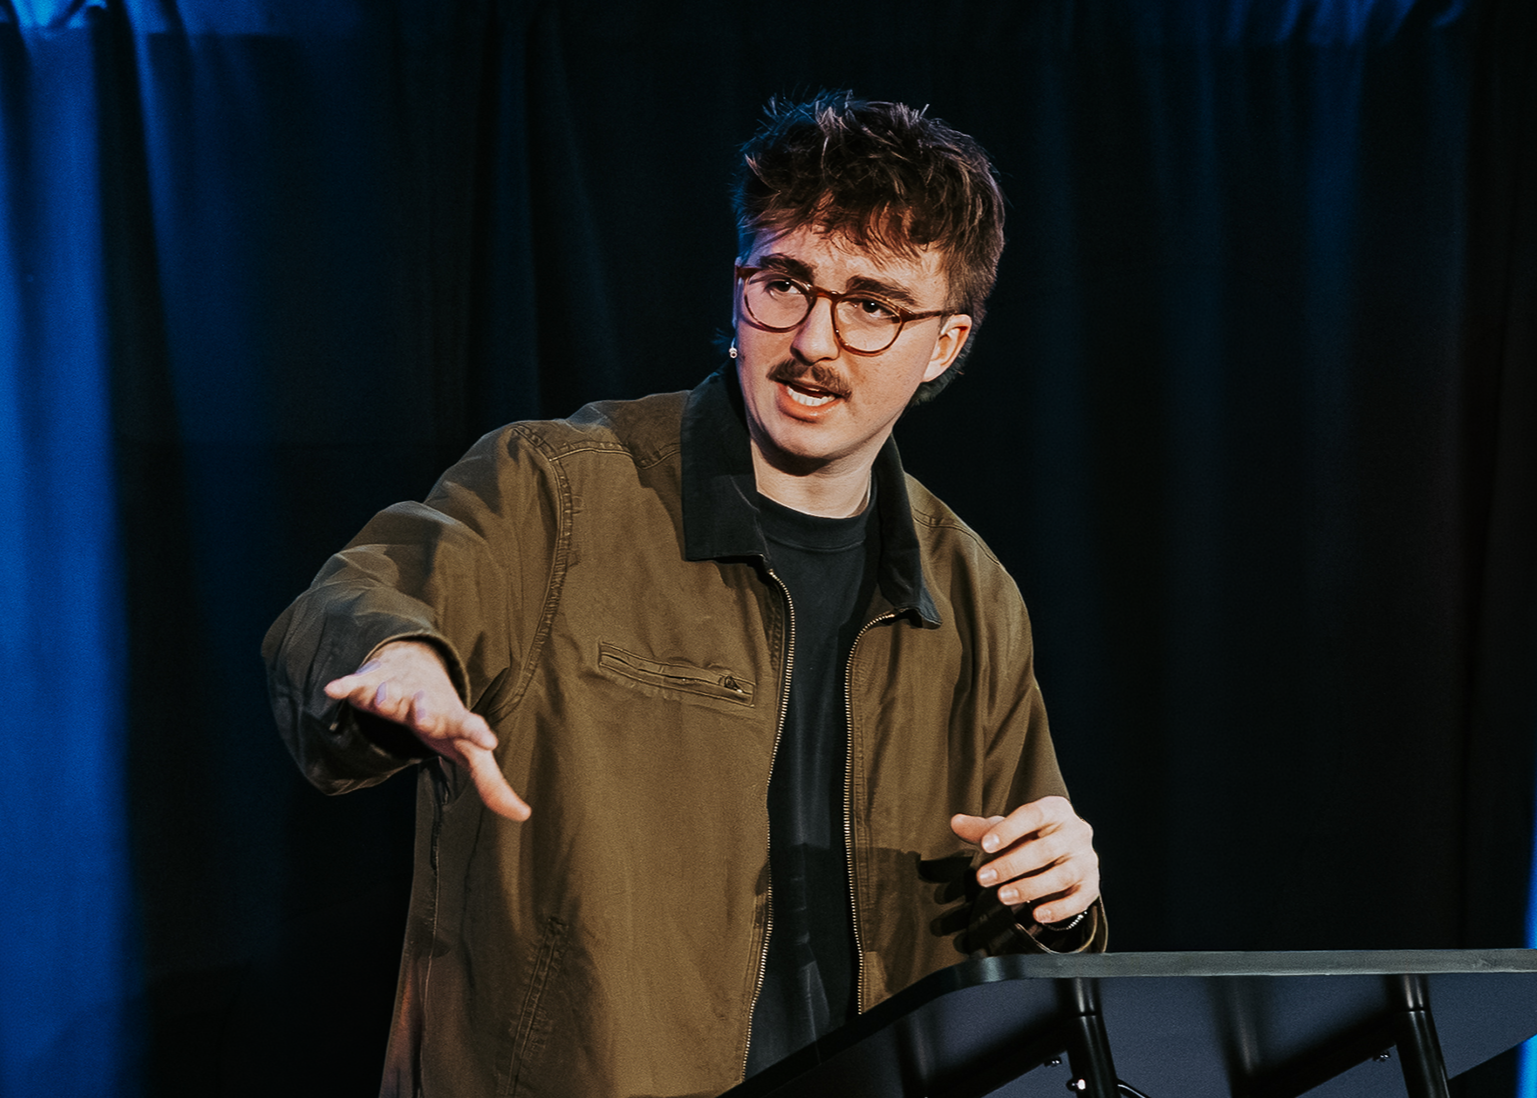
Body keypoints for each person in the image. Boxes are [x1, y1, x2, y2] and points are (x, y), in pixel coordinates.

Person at [263, 92, 1104, 1098]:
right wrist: (399, 657)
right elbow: (363, 596)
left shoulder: (971, 594)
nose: (815, 343)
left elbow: (1014, 931)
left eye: (873, 305)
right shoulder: (559, 488)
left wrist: (1063, 904)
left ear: (947, 344)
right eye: (784, 283)